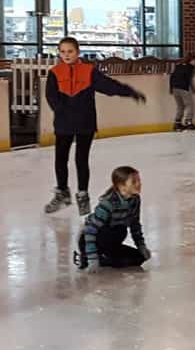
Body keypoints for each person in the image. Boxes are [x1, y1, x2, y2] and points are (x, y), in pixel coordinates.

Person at [44, 36, 146, 216]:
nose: (66, 55)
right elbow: (51, 97)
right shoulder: (55, 73)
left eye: (70, 51)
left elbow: (109, 86)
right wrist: (62, 111)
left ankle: (82, 195)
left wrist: (130, 92)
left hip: (85, 122)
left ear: (78, 52)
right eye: (63, 52)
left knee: (81, 159)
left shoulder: (89, 72)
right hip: (64, 123)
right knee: (61, 158)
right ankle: (62, 194)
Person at [73, 166, 151, 270]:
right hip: (90, 240)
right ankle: (86, 257)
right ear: (121, 185)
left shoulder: (135, 199)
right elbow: (90, 231)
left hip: (111, 242)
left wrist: (141, 247)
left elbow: (135, 225)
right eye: (134, 182)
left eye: (139, 180)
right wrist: (92, 258)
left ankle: (101, 260)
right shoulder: (108, 203)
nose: (139, 184)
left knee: (139, 258)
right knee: (117, 231)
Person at [169, 54, 195, 131]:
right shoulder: (190, 67)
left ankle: (177, 124)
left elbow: (172, 77)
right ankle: (188, 122)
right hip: (183, 88)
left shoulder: (178, 65)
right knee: (190, 105)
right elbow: (189, 79)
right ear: (191, 60)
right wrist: (193, 88)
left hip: (175, 88)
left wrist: (171, 88)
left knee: (180, 106)